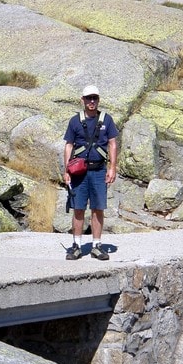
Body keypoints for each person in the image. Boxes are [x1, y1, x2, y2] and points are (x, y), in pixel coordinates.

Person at [63, 85, 118, 261]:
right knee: (78, 208)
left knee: (98, 209)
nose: (91, 101)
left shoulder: (106, 120)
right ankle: (76, 246)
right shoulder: (74, 121)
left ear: (98, 100)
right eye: (88, 98)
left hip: (99, 170)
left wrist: (112, 167)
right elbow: (68, 145)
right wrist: (66, 170)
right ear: (83, 100)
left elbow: (112, 144)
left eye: (94, 98)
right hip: (79, 172)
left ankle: (96, 246)